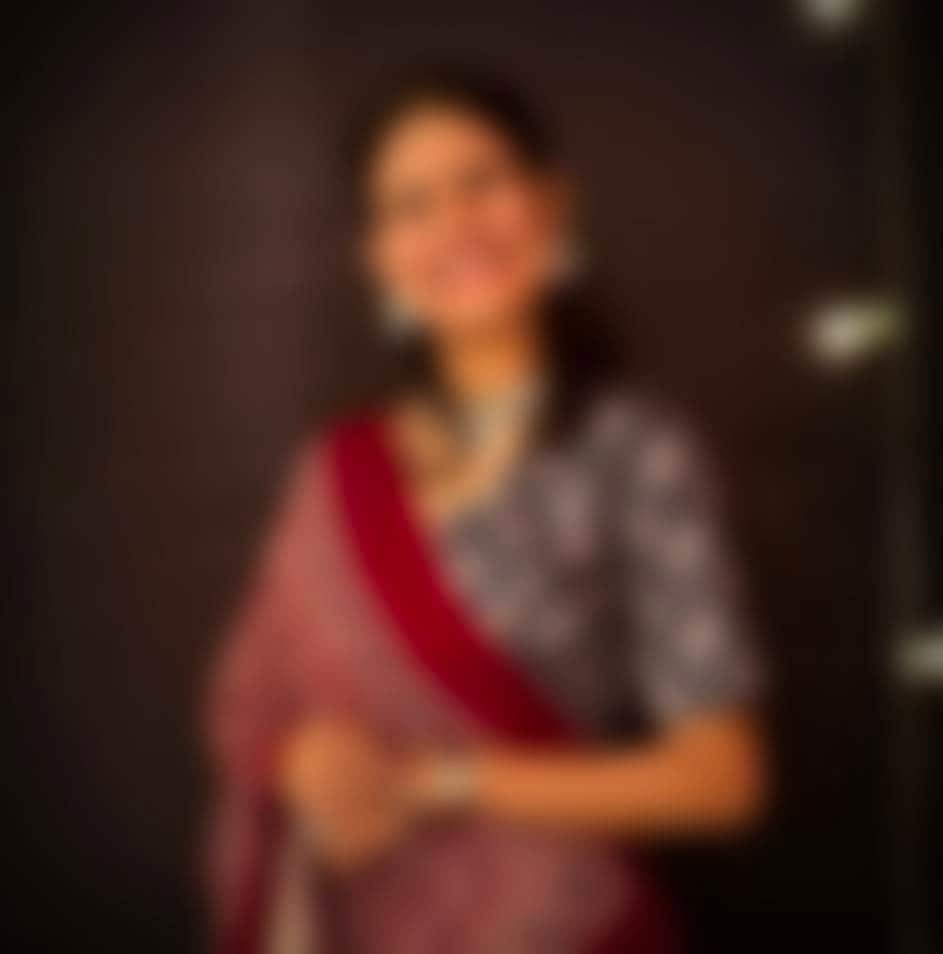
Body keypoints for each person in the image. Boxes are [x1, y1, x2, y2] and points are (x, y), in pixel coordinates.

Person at [208, 64, 768, 954]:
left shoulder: (633, 451)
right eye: (412, 204)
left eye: (483, 181)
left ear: (554, 203)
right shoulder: (337, 469)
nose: (455, 223)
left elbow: (721, 781)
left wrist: (437, 783)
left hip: (562, 925)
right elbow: (250, 704)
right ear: (378, 257)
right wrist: (304, 762)